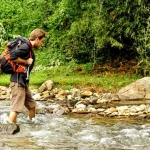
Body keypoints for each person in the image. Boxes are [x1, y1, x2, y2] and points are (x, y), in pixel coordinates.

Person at [7, 29, 46, 123]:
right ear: (37, 39)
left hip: (23, 82)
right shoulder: (25, 47)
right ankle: (7, 130)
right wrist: (26, 61)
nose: (42, 44)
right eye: (42, 41)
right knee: (16, 108)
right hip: (17, 82)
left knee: (32, 106)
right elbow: (12, 57)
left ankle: (32, 126)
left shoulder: (28, 49)